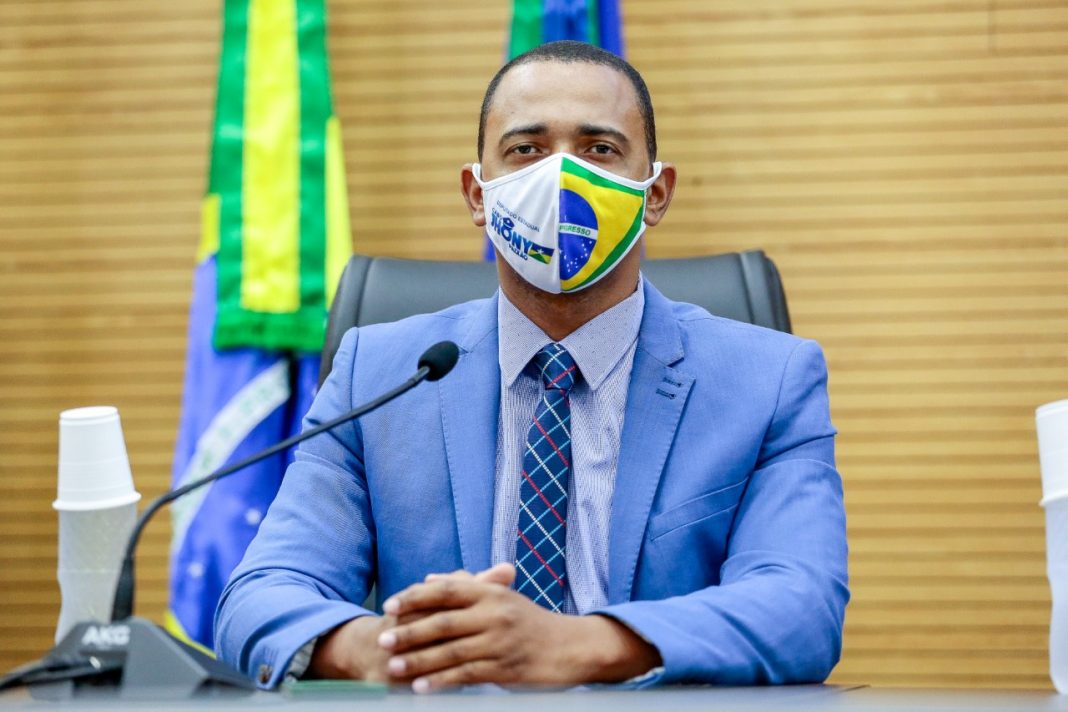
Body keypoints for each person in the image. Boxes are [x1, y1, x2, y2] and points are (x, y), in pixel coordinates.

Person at [215, 40, 849, 692]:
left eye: (599, 149)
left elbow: (801, 607)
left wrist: (576, 645)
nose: (561, 176)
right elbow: (263, 594)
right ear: (477, 194)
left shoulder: (769, 381)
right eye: (526, 150)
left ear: (655, 193)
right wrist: (385, 648)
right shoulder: (377, 375)